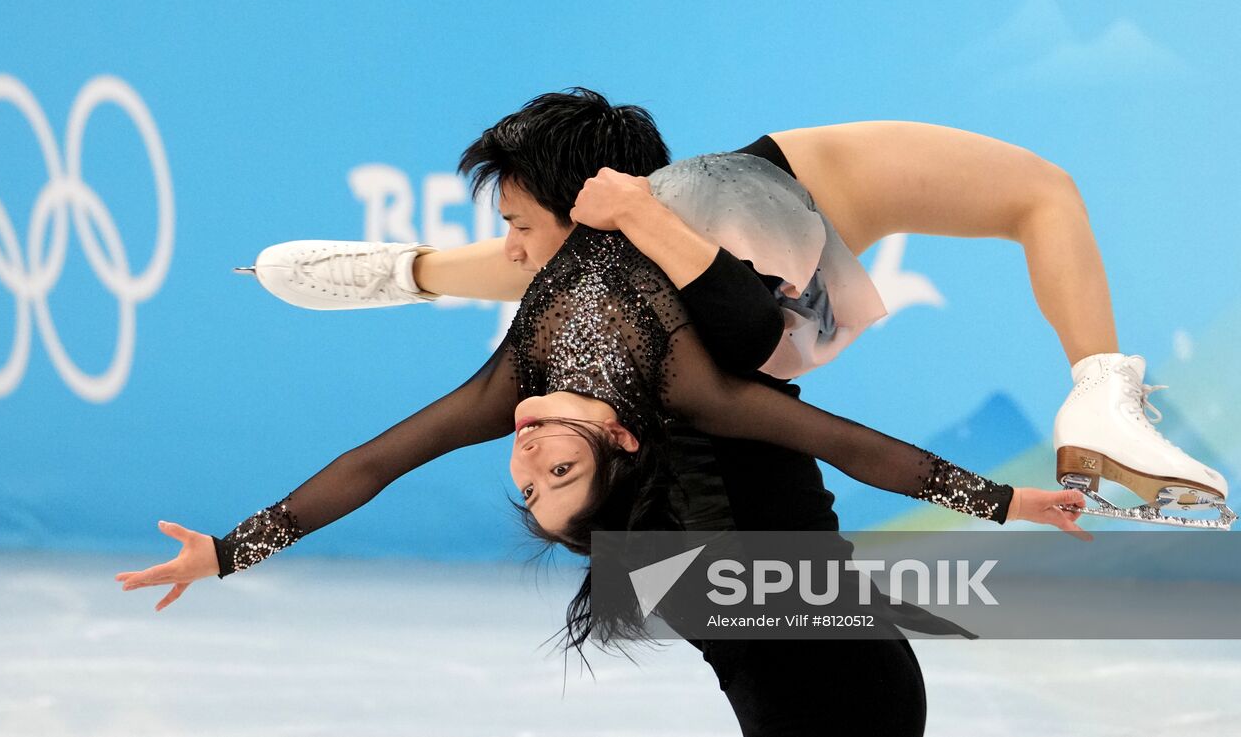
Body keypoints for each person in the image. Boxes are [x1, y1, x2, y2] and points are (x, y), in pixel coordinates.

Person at [116, 155, 1090, 737]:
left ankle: (409, 270)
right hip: (845, 691)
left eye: (529, 482)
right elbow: (848, 444)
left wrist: (228, 550)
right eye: (560, 472)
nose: (527, 453)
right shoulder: (689, 388)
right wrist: (1007, 502)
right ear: (619, 436)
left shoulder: (514, 385)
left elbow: (373, 464)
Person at [250, 89, 1230, 528]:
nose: (508, 244)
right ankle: (1099, 390)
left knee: (589, 260)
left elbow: (799, 386)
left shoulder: (644, 260)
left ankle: (401, 270)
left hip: (767, 226)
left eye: (512, 221)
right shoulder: (647, 248)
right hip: (769, 217)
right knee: (1044, 194)